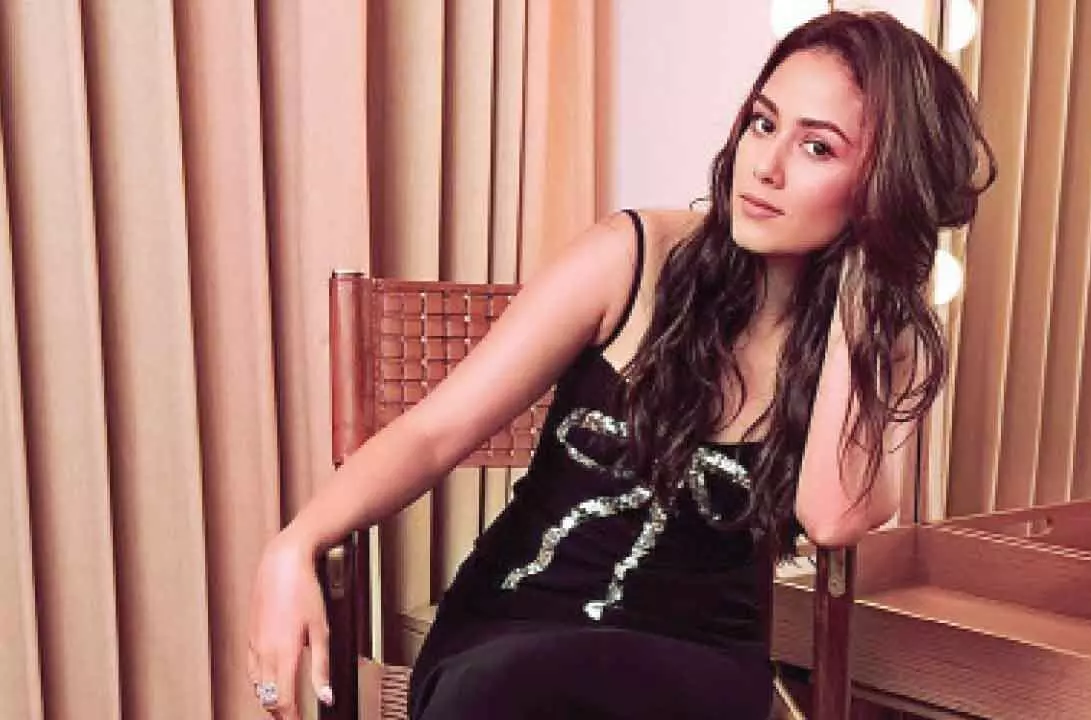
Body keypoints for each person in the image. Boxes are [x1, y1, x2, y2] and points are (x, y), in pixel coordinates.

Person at [247, 9, 994, 720]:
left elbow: (832, 516)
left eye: (818, 148)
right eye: (763, 123)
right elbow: (433, 433)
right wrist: (295, 542)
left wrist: (866, 278)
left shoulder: (877, 340)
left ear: (884, 187)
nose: (764, 166)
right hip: (514, 631)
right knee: (505, 691)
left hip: (696, 662)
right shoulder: (632, 257)